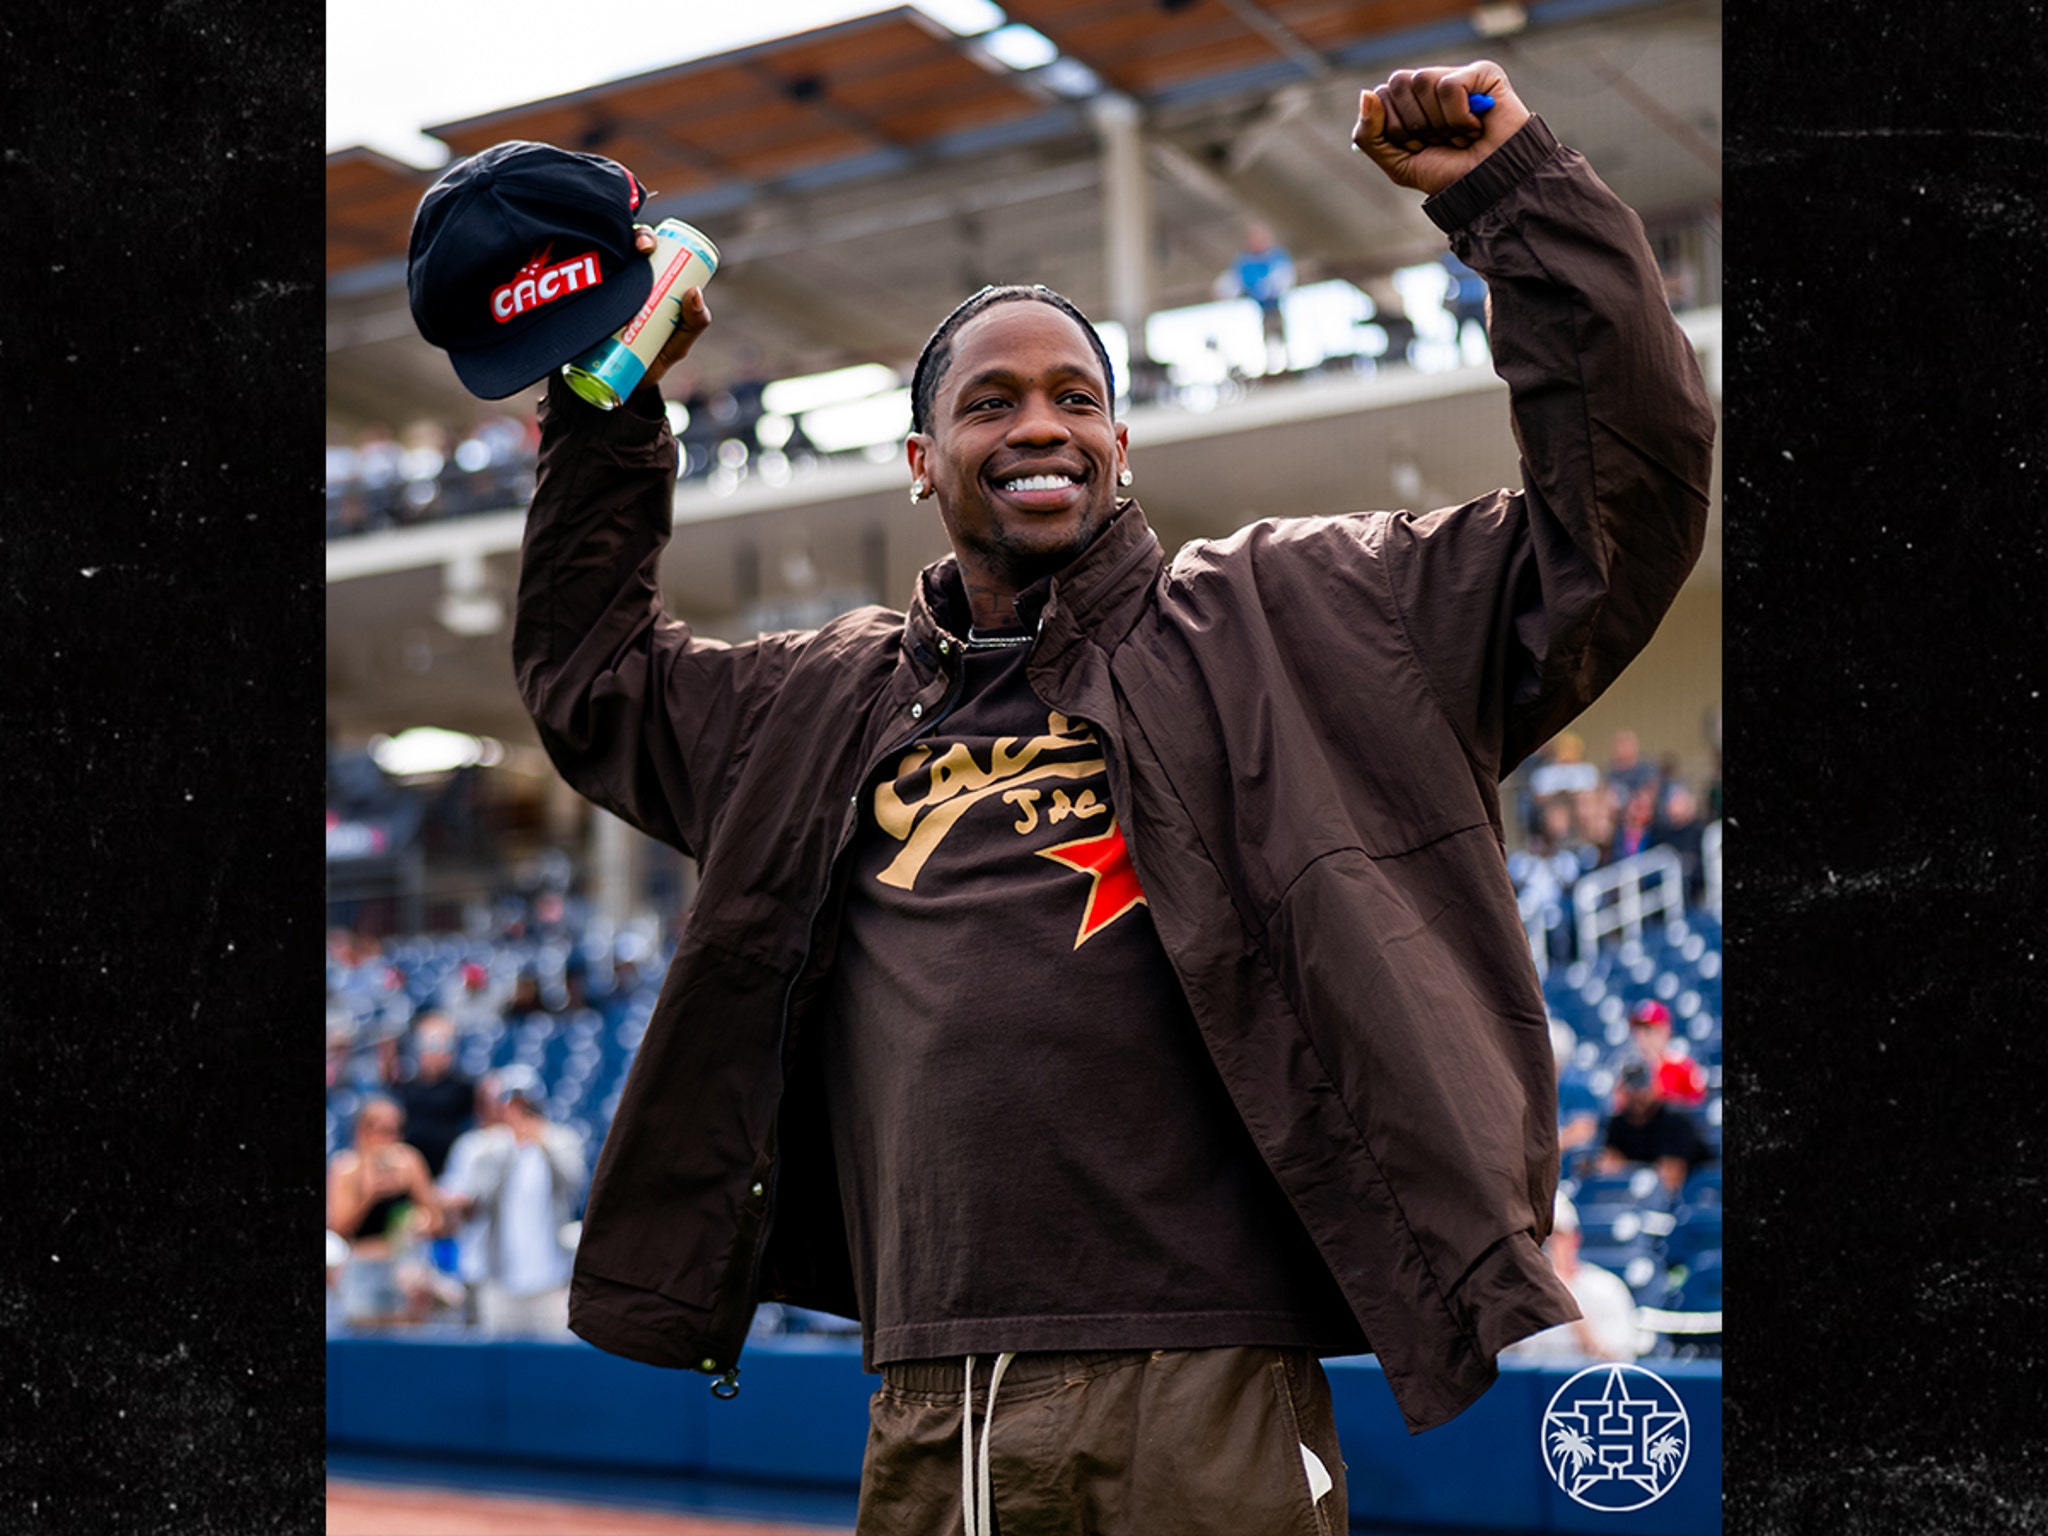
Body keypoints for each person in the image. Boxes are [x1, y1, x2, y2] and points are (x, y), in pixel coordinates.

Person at [505, 60, 1711, 1532]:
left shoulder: (1302, 613)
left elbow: (1616, 514)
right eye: (991, 400)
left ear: (1123, 448)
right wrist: (607, 405)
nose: (1041, 426)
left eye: (1078, 398)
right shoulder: (811, 702)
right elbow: (591, 685)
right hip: (929, 1387)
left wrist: (1511, 191)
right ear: (918, 460)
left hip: (1206, 1381)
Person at [437, 1065, 586, 1336]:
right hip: (499, 1279)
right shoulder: (485, 1146)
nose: (519, 1113)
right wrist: (509, 1146)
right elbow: (475, 1196)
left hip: (551, 1279)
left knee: (554, 1361)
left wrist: (541, 1140)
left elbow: (574, 1182)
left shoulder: (561, 1140)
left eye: (525, 1106)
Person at [325, 1095, 443, 1328]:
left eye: (395, 1131)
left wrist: (418, 1223)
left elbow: (436, 1219)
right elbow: (340, 1228)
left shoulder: (409, 1161)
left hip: (404, 1268)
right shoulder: (346, 1168)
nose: (388, 1139)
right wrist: (370, 1195)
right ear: (362, 1131)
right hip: (363, 1267)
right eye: (381, 1131)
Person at [1504, 1195, 1640, 1361]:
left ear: (1574, 1239)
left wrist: (1563, 1294)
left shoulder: (1605, 1288)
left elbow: (1616, 1363)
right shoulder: (1520, 1290)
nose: (1547, 1246)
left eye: (1555, 1237)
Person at [1598, 1063, 1713, 1193]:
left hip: (1689, 1194)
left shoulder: (1674, 1119)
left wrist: (1628, 1168)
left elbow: (1672, 1178)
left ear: (1654, 1087)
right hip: (1642, 1194)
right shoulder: (1618, 1123)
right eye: (1632, 1089)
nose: (1637, 1095)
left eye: (1642, 1087)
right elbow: (1610, 1164)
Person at [390, 1011, 474, 1178]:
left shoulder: (463, 1089)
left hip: (450, 1170)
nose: (436, 1053)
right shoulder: (405, 1089)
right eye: (430, 1045)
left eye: (444, 1046)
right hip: (410, 1170)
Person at [1218, 221, 1297, 373]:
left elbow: (1285, 278)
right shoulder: (1245, 261)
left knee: (1281, 332)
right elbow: (1232, 281)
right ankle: (1270, 366)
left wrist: (1269, 288)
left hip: (1278, 304)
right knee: (1265, 335)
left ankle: (1288, 363)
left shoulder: (1277, 257)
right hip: (1257, 308)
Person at [1627, 999, 1708, 1107]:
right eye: (1638, 1030)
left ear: (1665, 1030)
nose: (1642, 1037)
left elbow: (1697, 1111)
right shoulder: (1628, 1071)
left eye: (1648, 1030)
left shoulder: (1683, 1069)